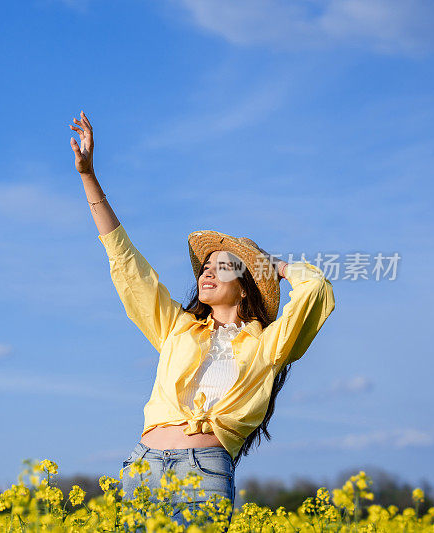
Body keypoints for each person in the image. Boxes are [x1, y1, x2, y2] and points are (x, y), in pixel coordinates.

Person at [69, 111, 336, 530]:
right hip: (143, 467)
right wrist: (88, 176)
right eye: (205, 266)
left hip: (205, 472)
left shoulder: (268, 345)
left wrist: (273, 265)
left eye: (224, 266)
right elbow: (125, 261)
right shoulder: (176, 327)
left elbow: (315, 291)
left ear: (246, 285)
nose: (207, 272)